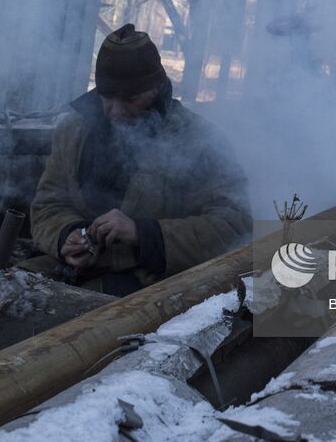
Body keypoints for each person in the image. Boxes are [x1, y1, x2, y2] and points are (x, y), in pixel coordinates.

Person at [26, 23, 252, 296]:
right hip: (72, 270)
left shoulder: (199, 141)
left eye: (131, 98)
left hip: (151, 285)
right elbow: (48, 204)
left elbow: (235, 224)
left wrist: (143, 233)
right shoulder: (73, 130)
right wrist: (67, 236)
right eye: (107, 97)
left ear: (155, 88)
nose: (116, 111)